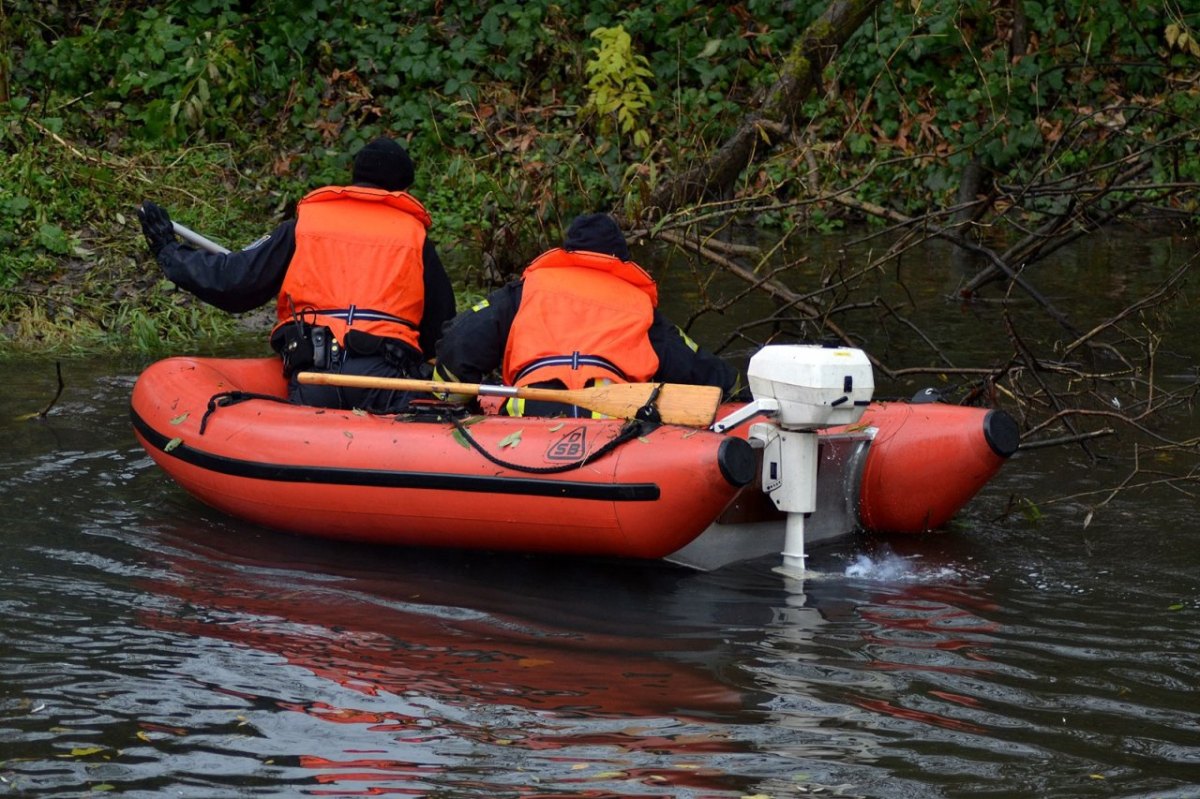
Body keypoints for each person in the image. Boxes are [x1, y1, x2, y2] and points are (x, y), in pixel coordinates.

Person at [137, 136, 456, 413]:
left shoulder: (304, 227)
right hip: (382, 379)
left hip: (314, 373)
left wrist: (169, 250)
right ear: (403, 189)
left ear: (354, 178)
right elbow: (441, 329)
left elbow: (235, 281)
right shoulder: (415, 240)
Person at [433, 212, 739, 417]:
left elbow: (461, 341)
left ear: (569, 252)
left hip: (528, 416)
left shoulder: (528, 290)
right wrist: (739, 391)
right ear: (620, 259)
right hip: (611, 421)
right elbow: (692, 364)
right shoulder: (638, 305)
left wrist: (455, 404)